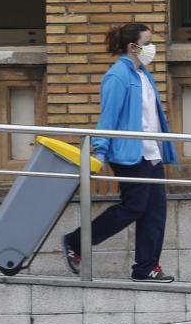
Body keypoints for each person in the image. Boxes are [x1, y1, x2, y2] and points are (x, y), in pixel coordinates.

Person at [62, 23, 177, 282]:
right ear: (132, 47)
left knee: (155, 211)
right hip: (130, 154)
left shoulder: (143, 75)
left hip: (151, 153)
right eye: (147, 43)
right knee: (134, 207)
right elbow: (108, 117)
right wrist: (100, 151)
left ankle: (146, 267)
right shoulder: (118, 76)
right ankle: (75, 242)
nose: (152, 48)